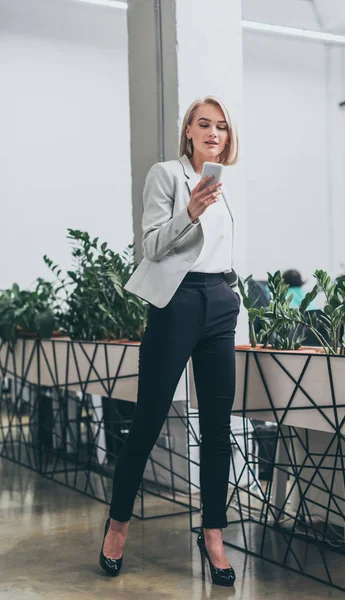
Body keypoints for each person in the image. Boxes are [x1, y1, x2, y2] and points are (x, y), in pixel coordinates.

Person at [98, 96, 240, 587]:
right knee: (149, 419)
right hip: (176, 304)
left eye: (221, 126)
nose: (213, 133)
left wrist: (231, 292)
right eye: (204, 124)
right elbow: (152, 246)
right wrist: (192, 212)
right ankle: (117, 526)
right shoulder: (166, 175)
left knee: (219, 429)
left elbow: (220, 251)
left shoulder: (224, 185)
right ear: (187, 132)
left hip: (220, 301)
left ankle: (214, 535)